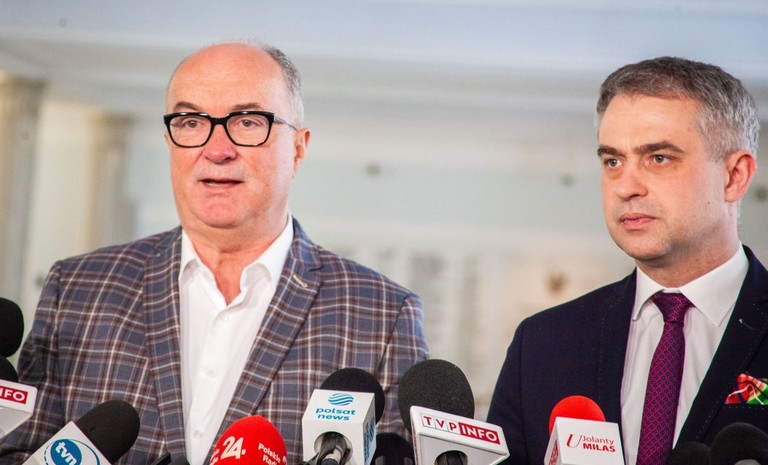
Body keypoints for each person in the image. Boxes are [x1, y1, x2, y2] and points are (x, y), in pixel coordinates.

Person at [0, 41, 429, 465]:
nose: (217, 149)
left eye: (247, 122)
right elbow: (20, 451)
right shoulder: (77, 290)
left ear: (298, 148)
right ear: (170, 142)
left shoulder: (383, 316)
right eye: (190, 122)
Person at [487, 56, 764, 465]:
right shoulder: (543, 344)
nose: (625, 187)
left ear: (734, 176)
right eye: (613, 161)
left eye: (658, 158)